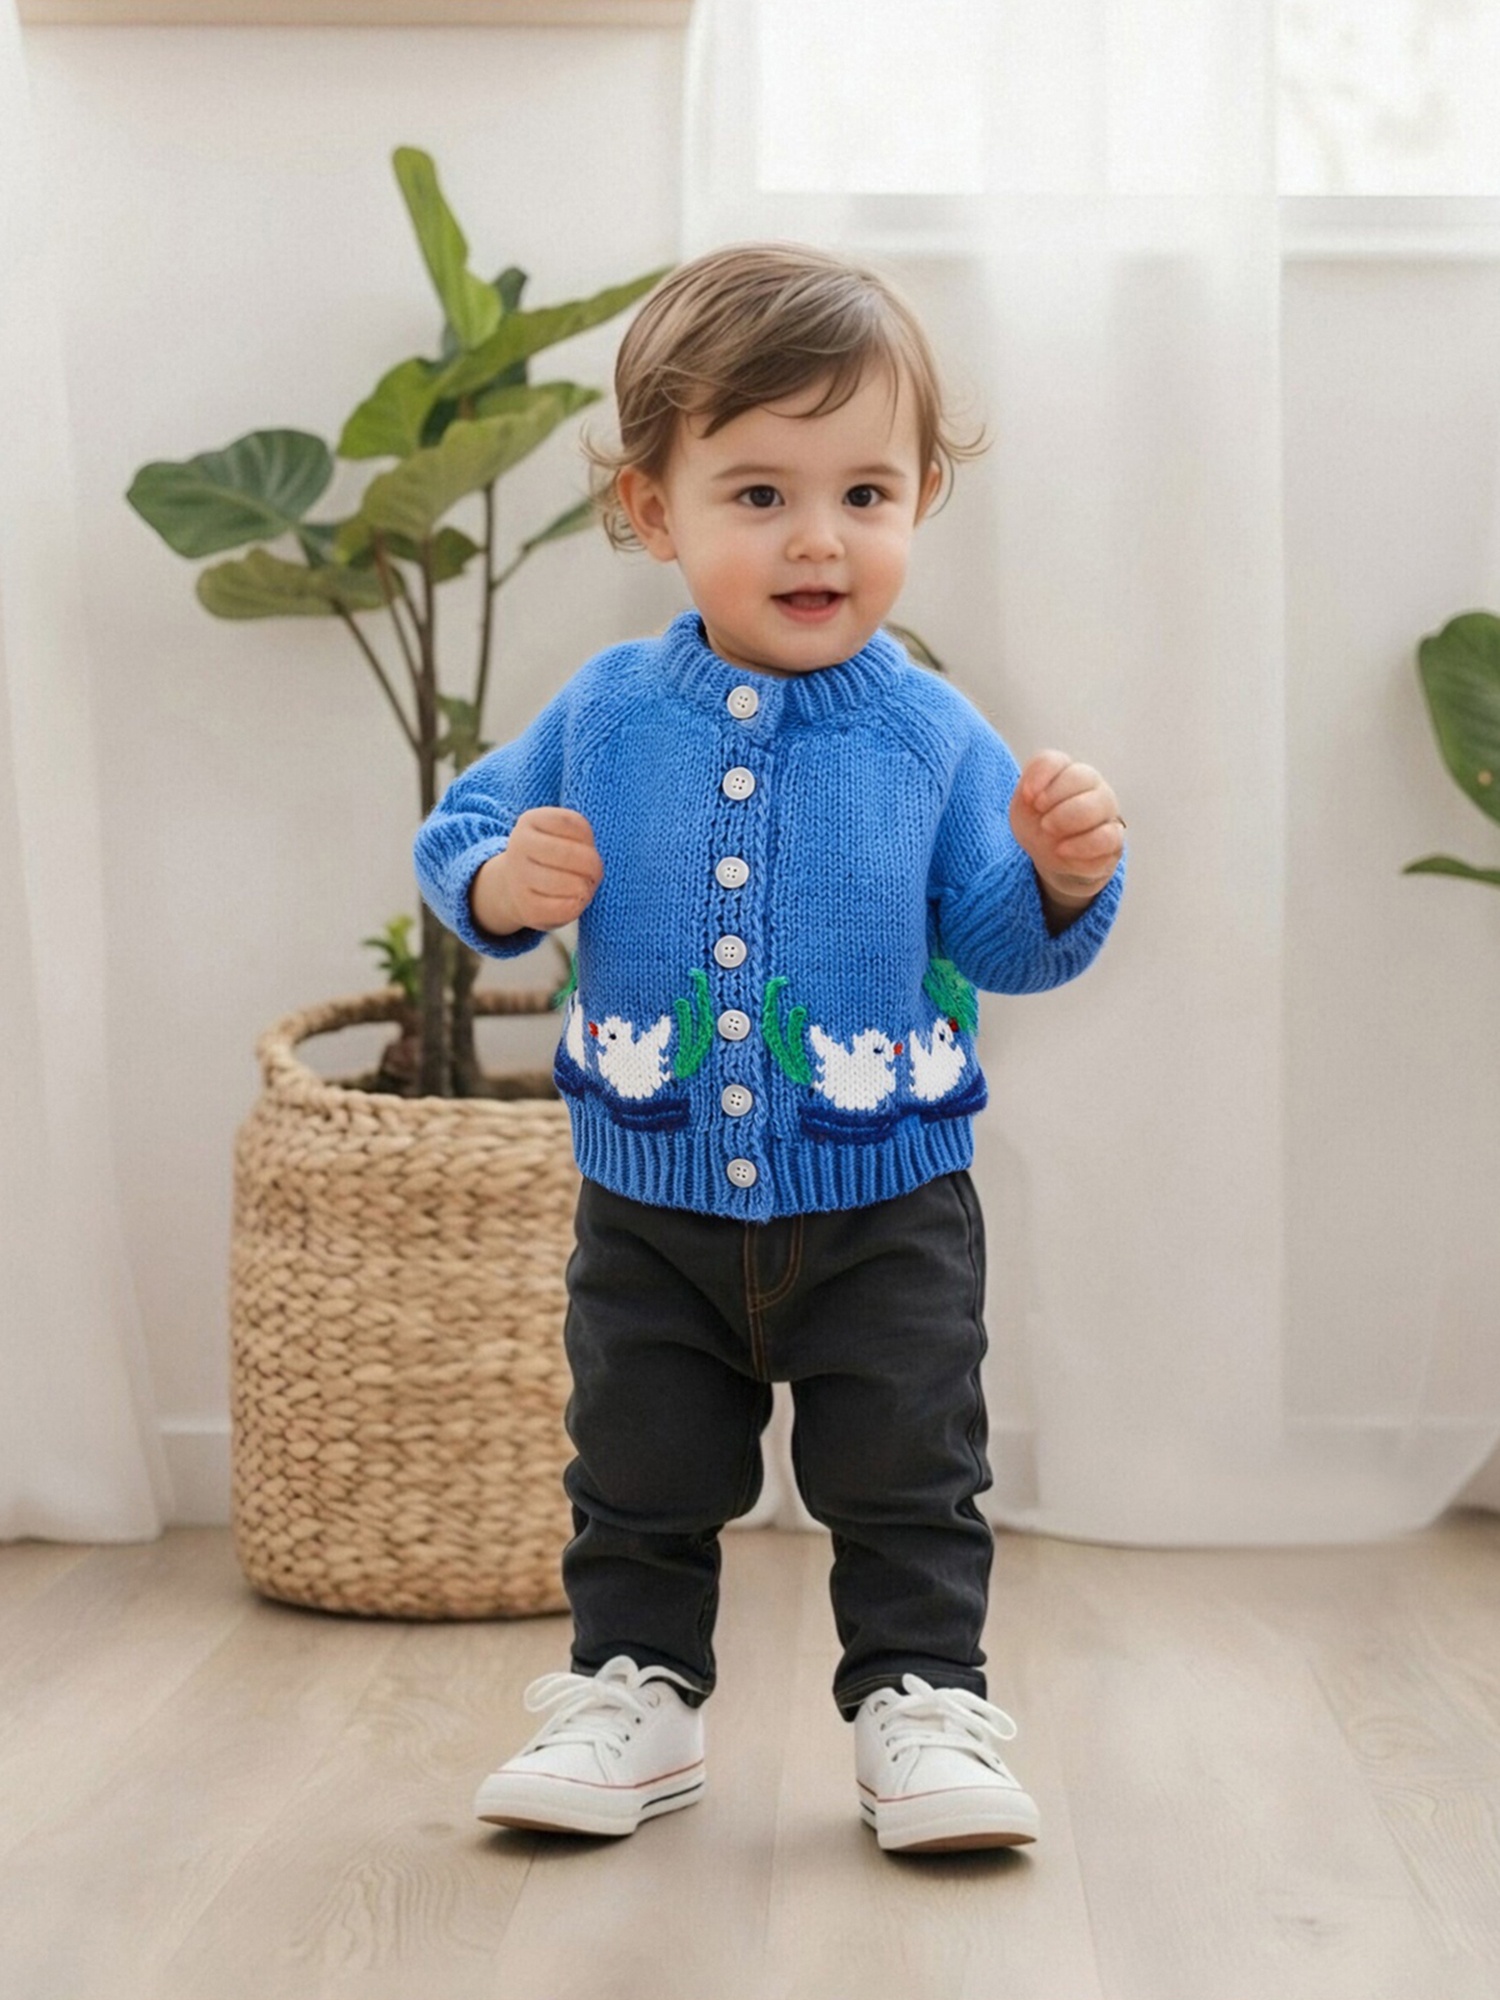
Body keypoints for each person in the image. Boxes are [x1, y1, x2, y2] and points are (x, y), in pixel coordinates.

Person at [413, 243, 1125, 1855]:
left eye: (866, 493)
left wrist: (1061, 876)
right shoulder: (607, 712)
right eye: (759, 495)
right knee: (638, 1471)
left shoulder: (930, 733)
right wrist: (505, 882)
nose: (820, 537)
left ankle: (921, 1706)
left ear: (922, 497)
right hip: (651, 1204)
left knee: (908, 1471)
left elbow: (1001, 943)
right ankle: (635, 1695)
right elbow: (461, 830)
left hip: (887, 1205)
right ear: (653, 510)